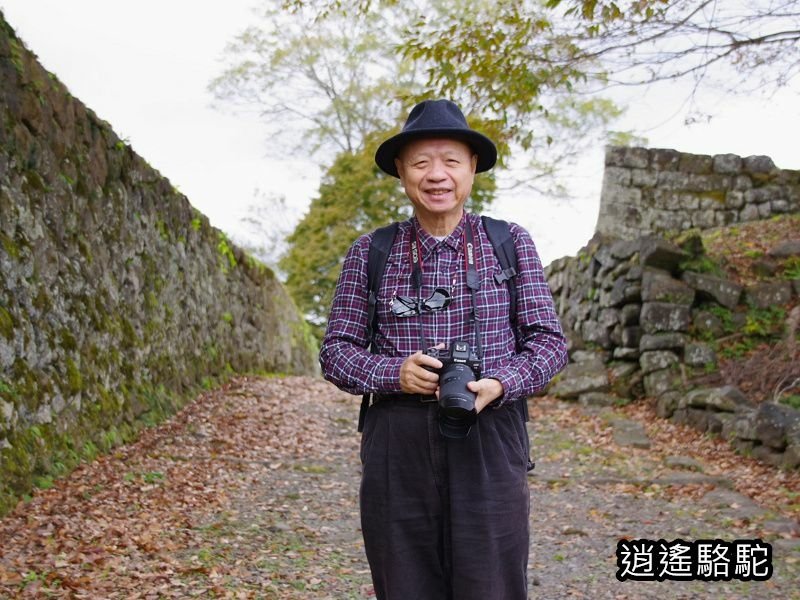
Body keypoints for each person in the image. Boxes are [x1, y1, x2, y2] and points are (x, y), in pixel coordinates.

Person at [319, 99, 568, 600]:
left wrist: (500, 383)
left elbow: (549, 344)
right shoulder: (371, 251)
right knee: (404, 581)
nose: (437, 175)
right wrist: (395, 373)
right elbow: (336, 352)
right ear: (401, 172)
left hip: (491, 433)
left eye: (451, 161)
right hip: (398, 442)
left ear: (472, 168)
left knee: (492, 583)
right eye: (421, 163)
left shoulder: (509, 242)